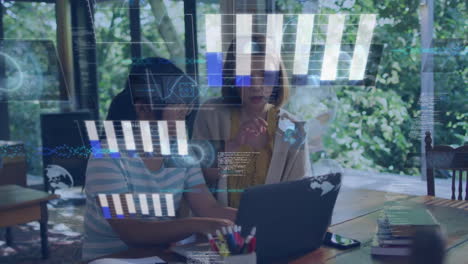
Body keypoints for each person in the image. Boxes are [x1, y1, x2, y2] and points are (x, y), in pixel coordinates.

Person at [82, 57, 236, 261]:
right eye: (178, 110)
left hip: (160, 256)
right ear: (143, 109)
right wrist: (198, 224)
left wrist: (255, 217)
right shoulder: (108, 156)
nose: (184, 119)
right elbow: (131, 230)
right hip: (114, 258)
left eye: (185, 111)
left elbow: (209, 208)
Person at [193, 35, 311, 207]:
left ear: (277, 79)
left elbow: (300, 193)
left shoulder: (293, 128)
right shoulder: (210, 114)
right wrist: (232, 148)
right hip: (220, 227)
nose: (256, 85)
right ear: (232, 77)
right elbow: (195, 180)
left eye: (265, 75)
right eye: (245, 75)